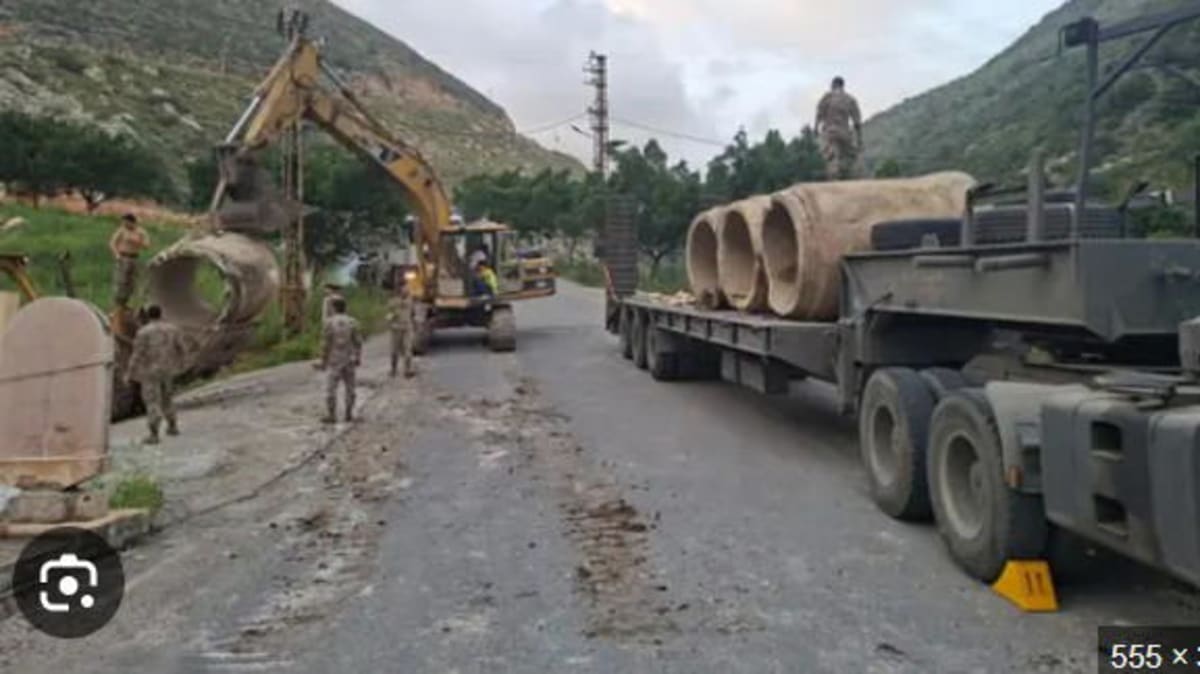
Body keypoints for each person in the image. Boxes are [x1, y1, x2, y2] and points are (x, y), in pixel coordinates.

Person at [125, 305, 187, 445]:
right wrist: (182, 365)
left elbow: (137, 354)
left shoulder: (143, 332)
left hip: (150, 371)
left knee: (152, 401)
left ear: (148, 316)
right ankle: (172, 426)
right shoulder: (173, 329)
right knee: (167, 398)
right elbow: (182, 348)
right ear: (161, 314)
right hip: (168, 369)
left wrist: (130, 373)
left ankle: (154, 434)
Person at [319, 297, 362, 424]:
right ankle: (348, 413)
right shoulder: (352, 322)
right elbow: (358, 342)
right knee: (350, 387)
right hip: (349, 358)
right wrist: (358, 357)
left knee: (331, 389)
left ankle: (332, 415)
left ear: (333, 308)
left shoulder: (329, 323)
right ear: (345, 308)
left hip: (334, 359)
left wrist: (323, 360)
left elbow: (325, 344)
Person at [815, 76, 864, 181]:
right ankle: (852, 177)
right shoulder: (850, 99)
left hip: (829, 132)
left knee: (830, 157)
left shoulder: (826, 98)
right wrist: (859, 139)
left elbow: (819, 115)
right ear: (843, 86)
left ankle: (833, 178)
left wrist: (816, 129)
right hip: (844, 132)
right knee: (850, 158)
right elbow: (857, 122)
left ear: (833, 85)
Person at [109, 213, 151, 307]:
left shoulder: (141, 232)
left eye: (126, 222)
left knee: (132, 281)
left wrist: (137, 242)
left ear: (132, 222)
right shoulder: (121, 231)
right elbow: (112, 243)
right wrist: (116, 254)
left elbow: (147, 245)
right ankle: (119, 302)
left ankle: (129, 301)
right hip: (123, 257)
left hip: (134, 257)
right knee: (121, 280)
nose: (124, 224)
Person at [387, 273, 416, 379]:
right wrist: (390, 319)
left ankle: (407, 370)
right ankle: (393, 369)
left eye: (406, 287)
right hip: (396, 328)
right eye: (404, 287)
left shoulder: (410, 299)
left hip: (407, 327)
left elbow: (413, 313)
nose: (406, 289)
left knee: (408, 350)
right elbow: (389, 313)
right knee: (394, 351)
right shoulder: (393, 300)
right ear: (399, 288)